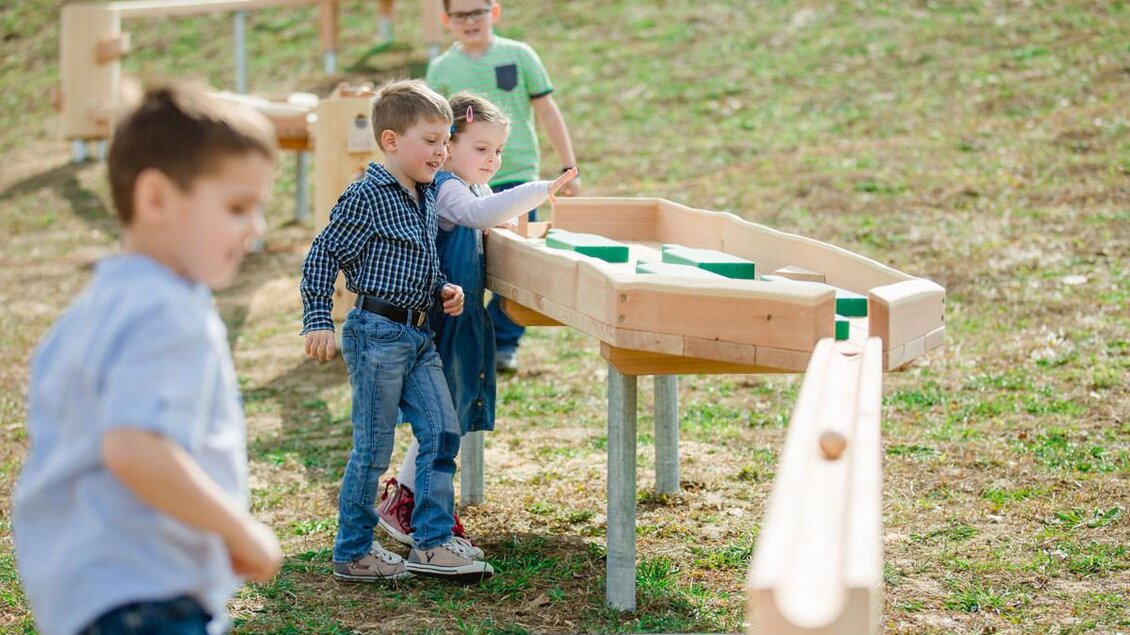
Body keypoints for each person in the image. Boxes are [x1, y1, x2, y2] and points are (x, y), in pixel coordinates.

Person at [12, 84, 283, 635]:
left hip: (82, 598)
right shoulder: (168, 308)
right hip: (148, 597)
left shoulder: (91, 312)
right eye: (237, 207)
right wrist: (237, 530)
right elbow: (136, 448)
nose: (257, 230)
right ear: (156, 199)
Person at [299, 79, 493, 584]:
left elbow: (418, 260)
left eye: (446, 140)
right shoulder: (367, 195)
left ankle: (429, 544)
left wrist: (443, 290)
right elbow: (323, 255)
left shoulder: (426, 194)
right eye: (430, 140)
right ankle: (353, 552)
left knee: (442, 430)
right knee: (374, 448)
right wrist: (319, 317)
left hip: (419, 335)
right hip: (377, 335)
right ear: (390, 141)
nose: (442, 151)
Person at [375, 93, 577, 548]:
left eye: (499, 150)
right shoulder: (448, 186)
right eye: (481, 148)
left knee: (454, 409)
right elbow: (475, 215)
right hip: (441, 319)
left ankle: (414, 496)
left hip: (464, 319)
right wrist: (540, 190)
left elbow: (487, 216)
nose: (493, 159)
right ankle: (409, 499)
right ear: (448, 146)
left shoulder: (475, 188)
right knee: (441, 417)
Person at [427, 0, 581, 372]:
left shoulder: (520, 54)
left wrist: (567, 163)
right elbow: (429, 123)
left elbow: (546, 109)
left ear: (493, 13)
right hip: (462, 183)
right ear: (446, 20)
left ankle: (502, 342)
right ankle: (462, 334)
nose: (470, 21)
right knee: (473, 261)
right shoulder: (442, 68)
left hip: (518, 176)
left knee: (512, 261)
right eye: (460, 15)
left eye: (477, 12)